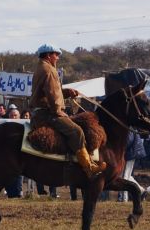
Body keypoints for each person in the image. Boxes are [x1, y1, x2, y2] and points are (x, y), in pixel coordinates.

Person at [30, 44, 104, 178]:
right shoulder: (49, 70)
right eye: (56, 54)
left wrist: (66, 92)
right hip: (47, 114)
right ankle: (89, 167)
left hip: (40, 112)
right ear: (48, 55)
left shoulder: (42, 68)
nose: (57, 58)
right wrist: (58, 111)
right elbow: (52, 95)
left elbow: (50, 93)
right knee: (77, 131)